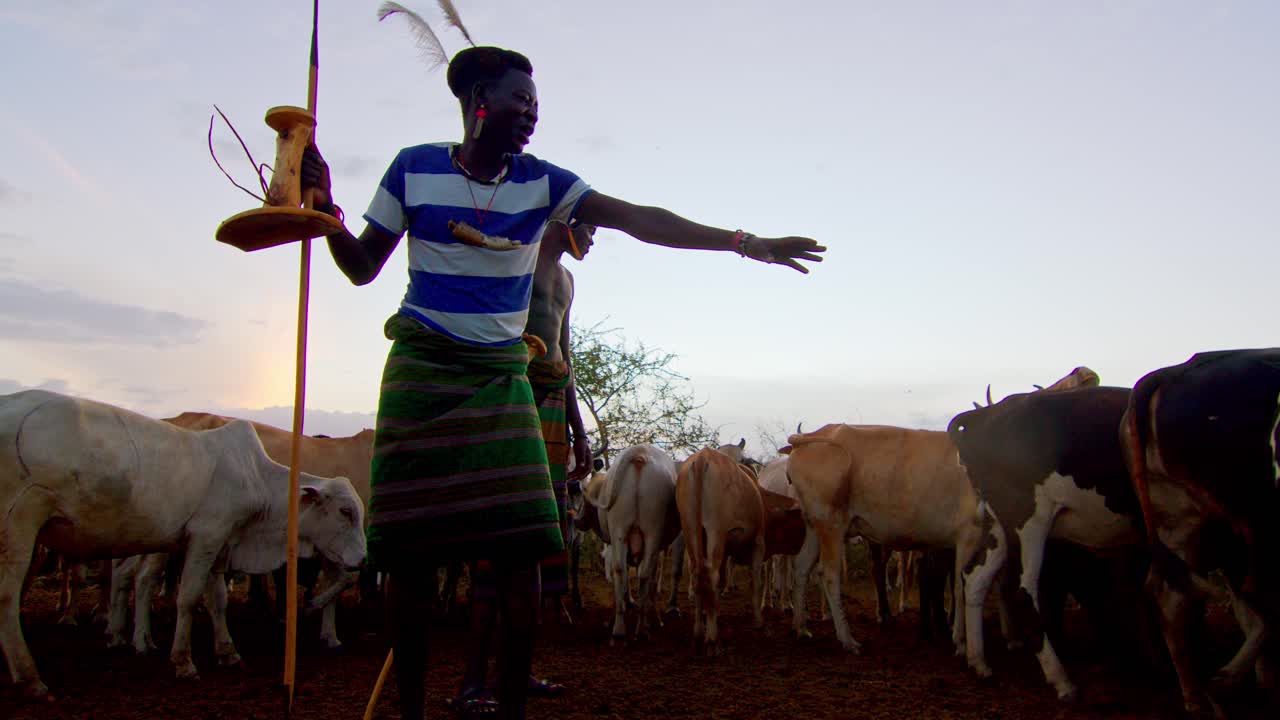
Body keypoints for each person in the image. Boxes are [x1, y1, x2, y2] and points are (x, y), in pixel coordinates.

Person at [302, 46, 823, 720]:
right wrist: (325, 211)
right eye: (520, 101)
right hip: (422, 369)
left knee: (522, 548)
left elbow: (640, 217)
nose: (531, 115)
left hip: (500, 376)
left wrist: (745, 243)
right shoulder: (413, 168)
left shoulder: (543, 183)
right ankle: (410, 709)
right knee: (408, 558)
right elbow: (361, 267)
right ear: (478, 99)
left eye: (537, 106)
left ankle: (512, 707)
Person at [445, 219, 594, 717]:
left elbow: (564, 356)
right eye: (589, 227)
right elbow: (484, 334)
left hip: (551, 410)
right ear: (561, 222)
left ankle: (516, 669)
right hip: (512, 402)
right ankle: (472, 680)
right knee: (497, 547)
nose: (593, 239)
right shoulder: (516, 262)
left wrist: (579, 428)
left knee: (535, 545)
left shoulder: (568, 282)